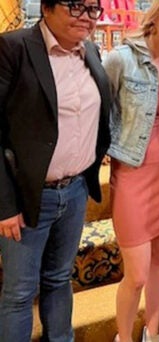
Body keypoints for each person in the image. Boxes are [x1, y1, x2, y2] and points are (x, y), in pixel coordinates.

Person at [0, 0, 111, 340]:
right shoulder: (14, 47)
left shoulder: (90, 51)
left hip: (75, 191)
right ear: (47, 7)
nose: (86, 17)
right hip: (29, 195)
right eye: (77, 6)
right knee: (19, 293)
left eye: (93, 9)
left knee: (60, 278)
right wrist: (5, 205)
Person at [102, 0, 159, 341]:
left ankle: (152, 334)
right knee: (137, 274)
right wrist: (108, 151)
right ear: (155, 16)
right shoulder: (120, 60)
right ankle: (123, 337)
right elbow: (103, 111)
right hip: (132, 174)